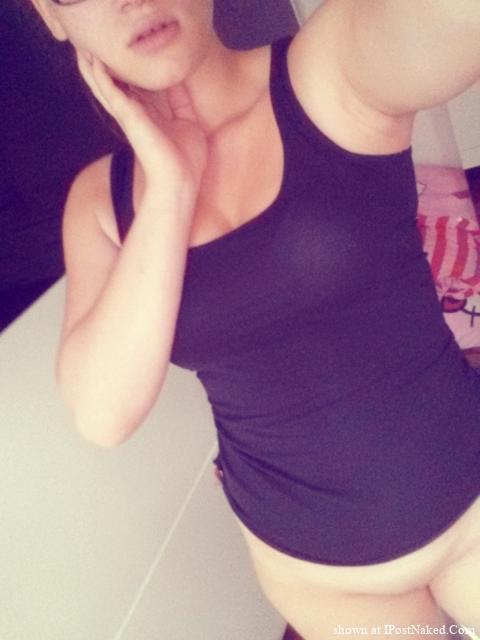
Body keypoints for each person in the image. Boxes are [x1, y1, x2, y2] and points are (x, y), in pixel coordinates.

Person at [29, 0, 480, 638]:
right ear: (51, 16)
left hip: (470, 503)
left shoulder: (327, 70)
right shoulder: (100, 202)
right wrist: (170, 188)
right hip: (317, 576)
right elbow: (103, 413)